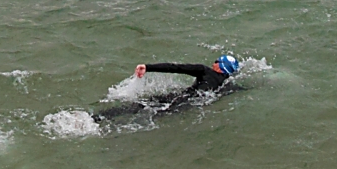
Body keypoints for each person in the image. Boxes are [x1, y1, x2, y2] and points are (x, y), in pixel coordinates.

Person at [98, 55, 243, 119]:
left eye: (216, 61)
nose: (213, 63)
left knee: (137, 107)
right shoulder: (228, 86)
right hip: (187, 107)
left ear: (220, 66)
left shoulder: (205, 70)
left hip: (177, 100)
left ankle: (96, 118)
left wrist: (147, 67)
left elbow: (176, 68)